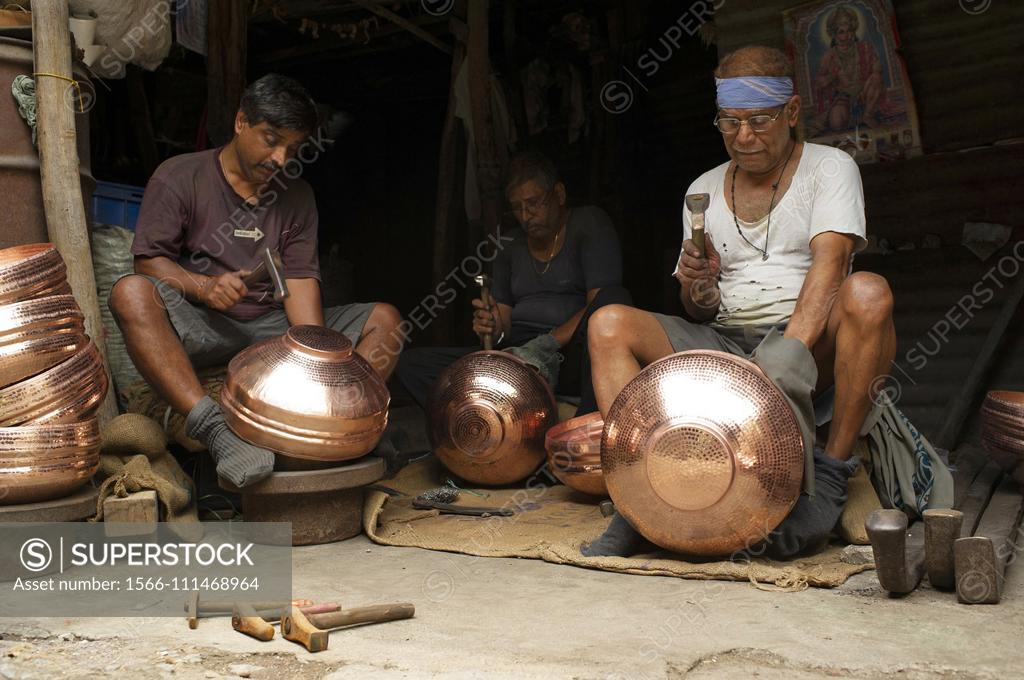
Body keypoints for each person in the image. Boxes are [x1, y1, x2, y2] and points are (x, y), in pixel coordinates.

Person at [583, 45, 921, 559]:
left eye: (759, 121)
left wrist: (787, 355)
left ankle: (830, 477)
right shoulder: (702, 189)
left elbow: (831, 267)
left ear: (791, 112)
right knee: (607, 323)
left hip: (805, 340)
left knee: (869, 292)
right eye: (729, 123)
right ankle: (639, 493)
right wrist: (698, 288)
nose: (743, 137)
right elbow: (699, 310)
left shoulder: (831, 169)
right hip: (726, 341)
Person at [109, 74, 403, 489]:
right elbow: (149, 264)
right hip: (202, 326)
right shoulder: (178, 176)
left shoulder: (297, 196)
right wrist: (204, 288)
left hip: (271, 332)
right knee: (130, 293)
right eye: (271, 139)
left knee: (385, 321)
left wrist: (315, 358)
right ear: (241, 122)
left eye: (293, 147)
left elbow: (300, 282)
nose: (281, 158)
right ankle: (215, 429)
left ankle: (340, 427)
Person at [396, 150, 631, 415]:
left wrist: (547, 344)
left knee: (614, 299)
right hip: (517, 355)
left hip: (570, 355)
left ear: (559, 194)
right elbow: (504, 323)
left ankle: (583, 420)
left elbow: (600, 307)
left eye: (534, 203)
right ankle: (482, 420)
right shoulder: (509, 244)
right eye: (517, 208)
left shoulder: (589, 224)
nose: (526, 215)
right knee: (411, 365)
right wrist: (493, 326)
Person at [812, 4, 886, 133]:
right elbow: (819, 82)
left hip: (865, 94)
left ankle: (867, 115)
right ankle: (853, 117)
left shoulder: (865, 48)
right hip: (843, 98)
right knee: (836, 123)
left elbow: (877, 69)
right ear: (834, 35)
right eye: (841, 32)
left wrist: (873, 70)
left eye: (849, 31)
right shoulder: (829, 56)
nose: (846, 35)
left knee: (876, 77)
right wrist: (832, 75)